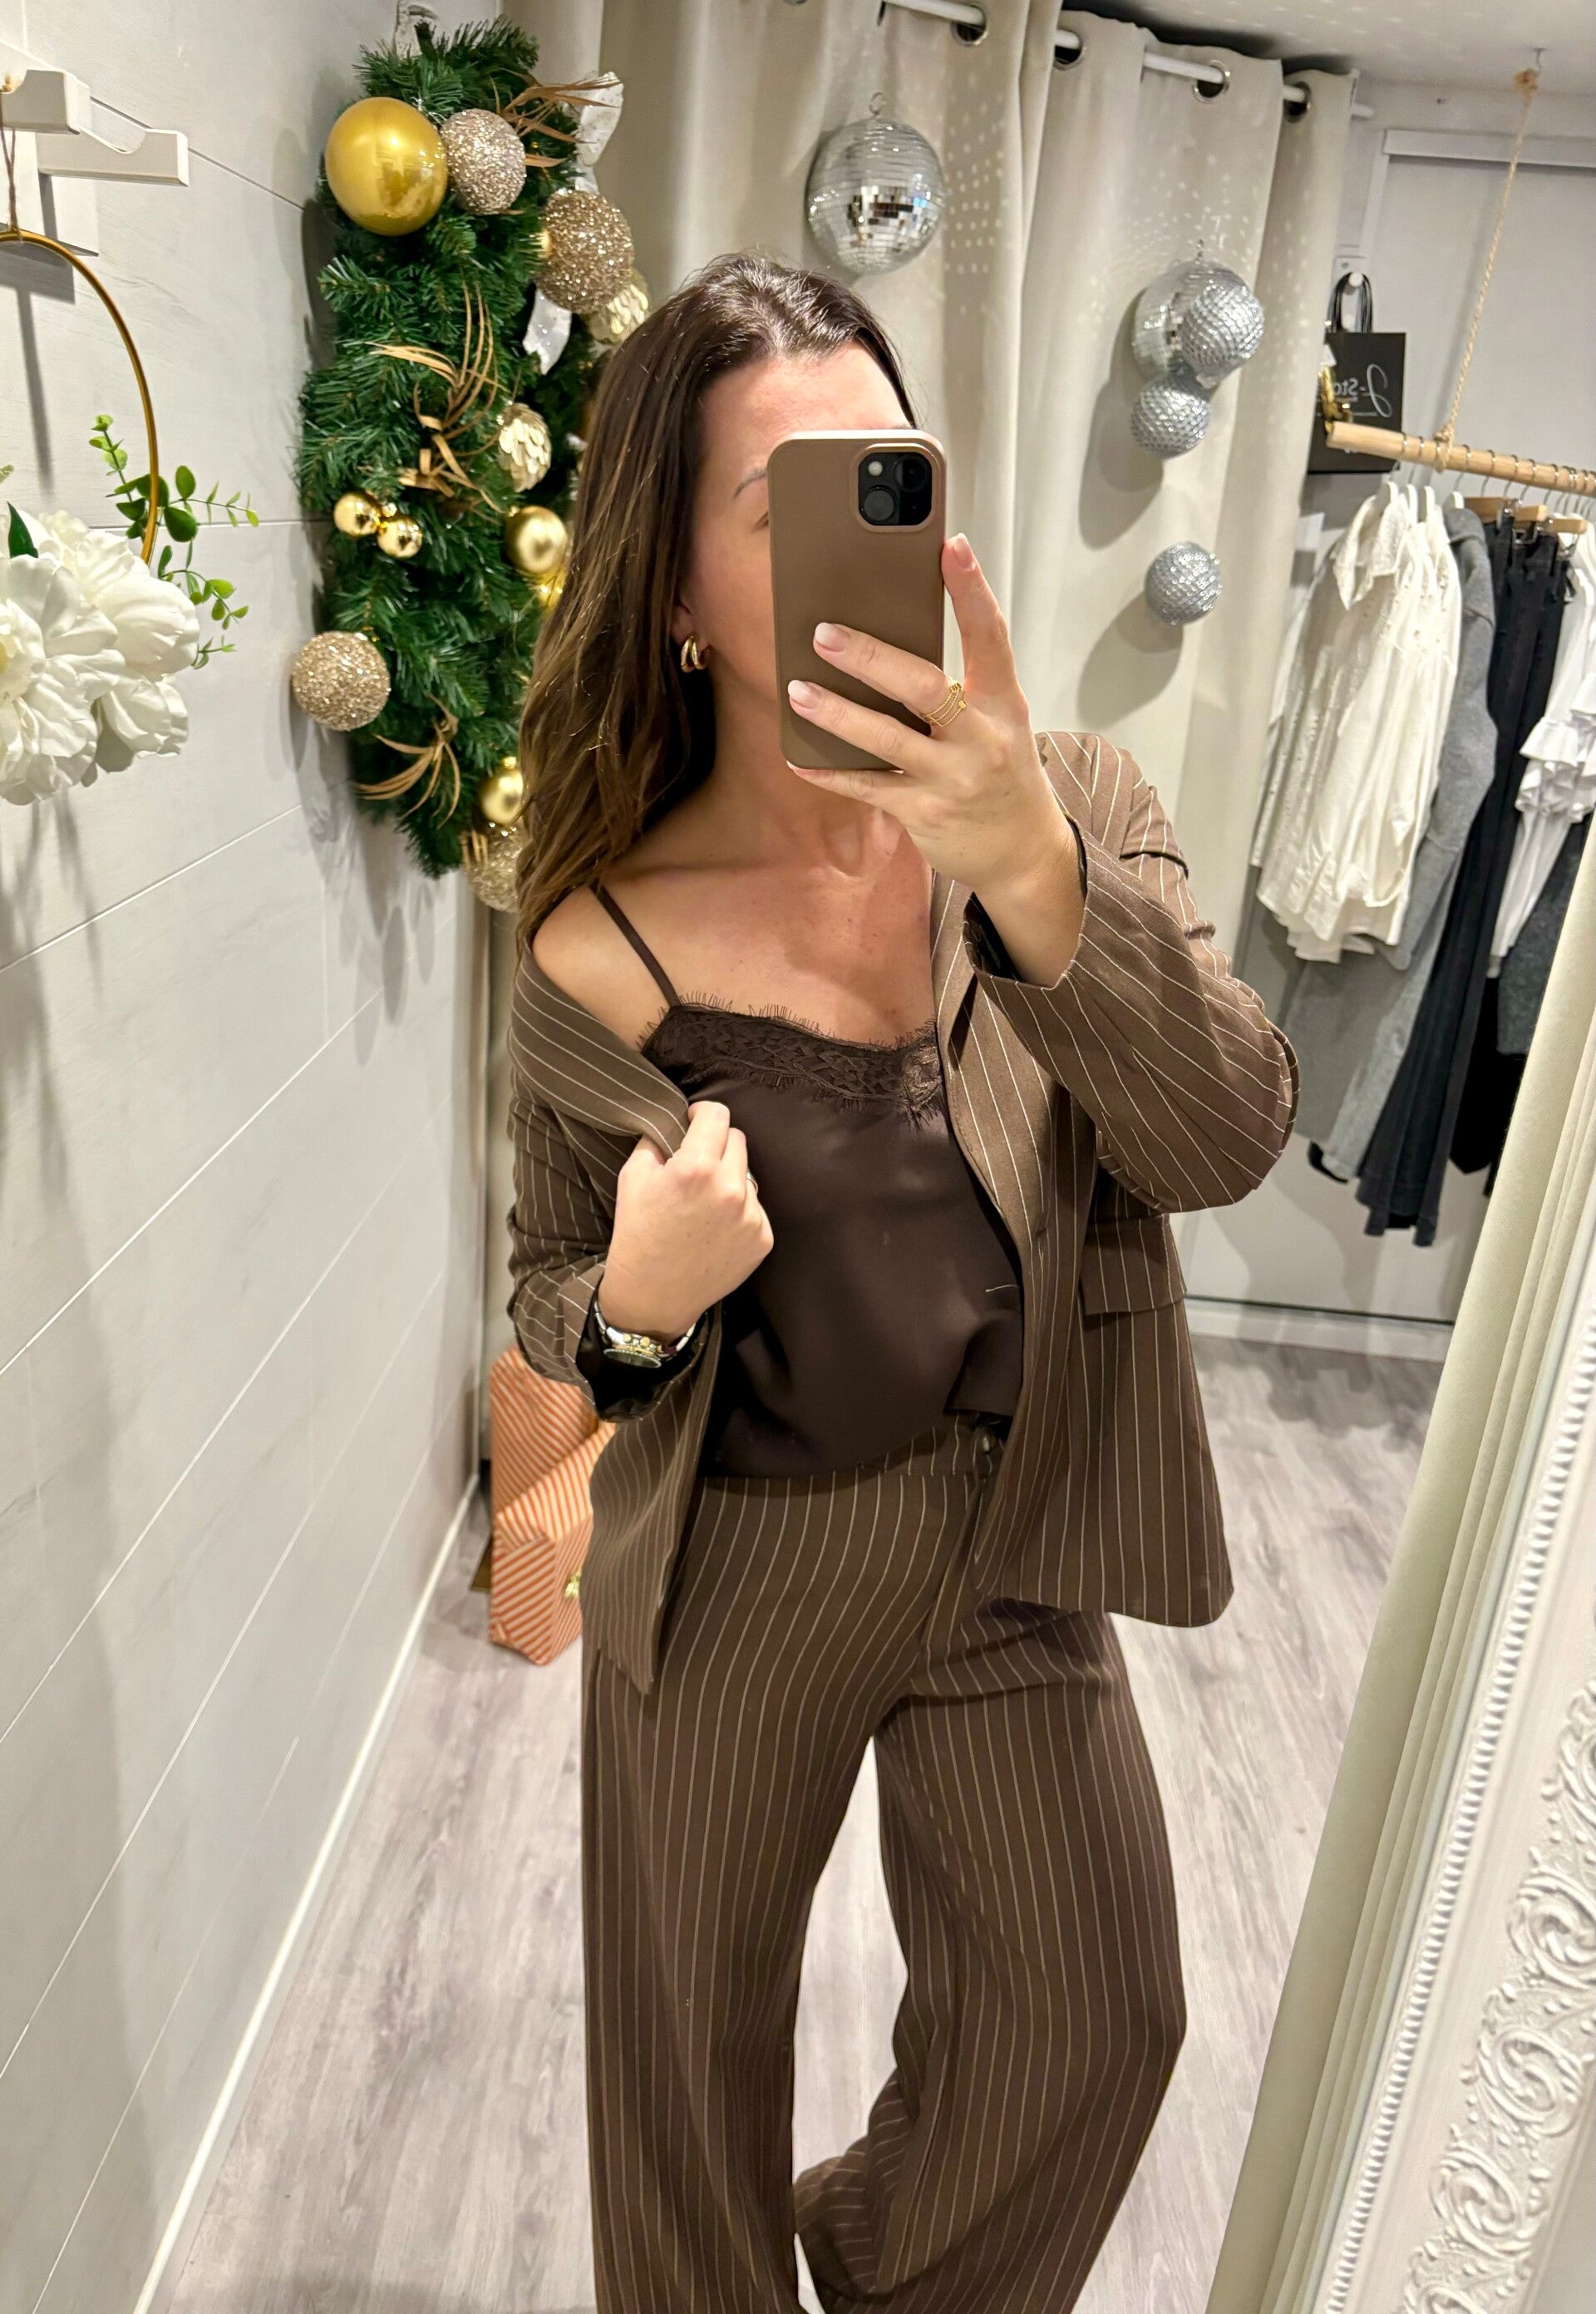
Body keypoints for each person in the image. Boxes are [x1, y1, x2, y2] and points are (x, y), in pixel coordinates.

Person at [505, 250, 1296, 2314]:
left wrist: (1033, 878)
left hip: (1015, 1525)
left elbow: (1222, 1140)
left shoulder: (1075, 811)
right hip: (740, 1559)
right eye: (785, 501)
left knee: (1098, 2023)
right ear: (673, 593)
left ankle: (873, 2261)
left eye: (889, 471)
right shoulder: (600, 936)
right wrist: (636, 1304)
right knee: (684, 2093)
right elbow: (548, 1303)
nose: (866, 531)